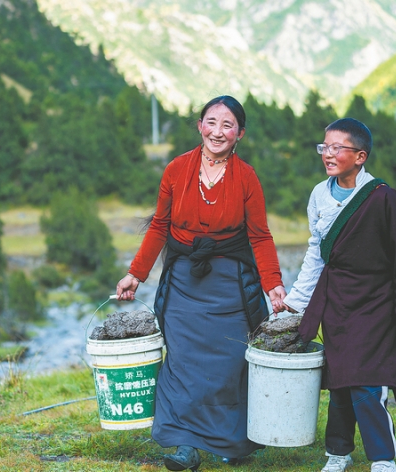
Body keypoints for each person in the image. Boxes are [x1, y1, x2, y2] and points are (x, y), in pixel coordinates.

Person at [116, 95, 287, 471]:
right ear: (199, 126)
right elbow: (160, 225)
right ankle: (183, 446)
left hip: (229, 283)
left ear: (239, 133)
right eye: (211, 122)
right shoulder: (177, 170)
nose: (218, 131)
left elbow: (259, 235)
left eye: (228, 125)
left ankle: (231, 443)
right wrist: (136, 274)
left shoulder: (247, 177)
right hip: (183, 282)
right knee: (181, 361)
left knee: (228, 364)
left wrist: (272, 282)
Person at [280, 118, 396, 472]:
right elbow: (317, 252)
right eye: (324, 147)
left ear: (360, 156)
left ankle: (382, 457)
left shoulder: (383, 197)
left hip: (376, 301)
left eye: (337, 148)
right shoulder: (319, 194)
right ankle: (338, 453)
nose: (327, 154)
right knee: (340, 381)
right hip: (337, 303)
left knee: (367, 381)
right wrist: (296, 301)